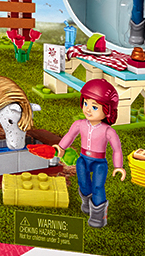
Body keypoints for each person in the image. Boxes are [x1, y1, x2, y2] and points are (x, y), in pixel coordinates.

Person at [54, 79, 125, 228]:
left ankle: (98, 216)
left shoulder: (108, 131)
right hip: (83, 160)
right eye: (85, 103)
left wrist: (118, 166)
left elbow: (116, 149)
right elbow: (69, 136)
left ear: (107, 110)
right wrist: (61, 147)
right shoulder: (80, 124)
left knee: (98, 187)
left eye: (94, 107)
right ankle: (87, 204)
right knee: (84, 183)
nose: (88, 109)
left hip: (99, 163)